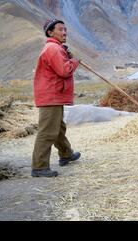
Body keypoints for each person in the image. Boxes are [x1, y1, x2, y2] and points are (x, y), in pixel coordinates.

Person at [31, 19, 81, 177]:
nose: (64, 32)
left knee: (58, 128)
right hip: (50, 95)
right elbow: (64, 71)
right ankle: (39, 167)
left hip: (54, 95)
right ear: (50, 32)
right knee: (47, 132)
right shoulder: (53, 48)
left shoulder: (56, 48)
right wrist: (74, 62)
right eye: (60, 29)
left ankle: (66, 154)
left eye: (65, 29)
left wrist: (67, 57)